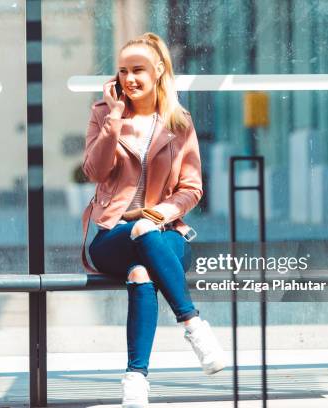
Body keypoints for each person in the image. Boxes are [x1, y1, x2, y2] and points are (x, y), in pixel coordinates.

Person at [80, 32, 226, 407]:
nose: (130, 79)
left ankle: (135, 379)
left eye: (139, 70)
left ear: (159, 71)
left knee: (141, 272)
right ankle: (193, 325)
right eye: (123, 71)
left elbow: (191, 189)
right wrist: (114, 116)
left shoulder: (179, 122)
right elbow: (94, 171)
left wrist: (160, 213)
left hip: (166, 234)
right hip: (112, 236)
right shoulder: (103, 112)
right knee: (139, 234)